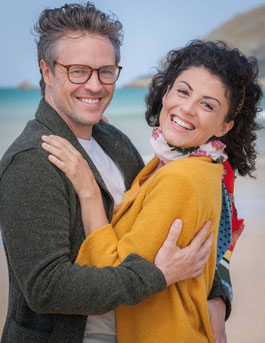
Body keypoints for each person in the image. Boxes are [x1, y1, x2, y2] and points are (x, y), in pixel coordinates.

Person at [0, 3, 230, 343]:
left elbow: (163, 227)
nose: (95, 86)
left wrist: (217, 295)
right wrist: (157, 276)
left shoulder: (114, 141)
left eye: (106, 71)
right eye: (78, 71)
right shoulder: (32, 160)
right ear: (47, 72)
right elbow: (47, 287)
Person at [41, 40, 263, 343]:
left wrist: (88, 187)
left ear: (225, 126)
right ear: (167, 90)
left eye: (207, 104)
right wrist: (100, 139)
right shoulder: (200, 164)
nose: (187, 108)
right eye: (183, 91)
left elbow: (114, 269)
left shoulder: (181, 178)